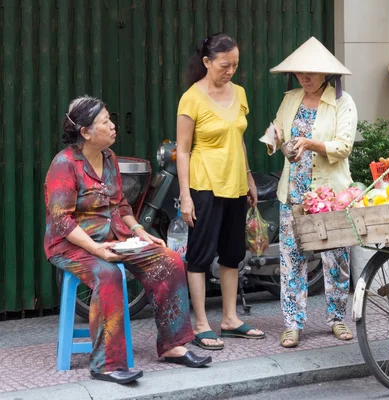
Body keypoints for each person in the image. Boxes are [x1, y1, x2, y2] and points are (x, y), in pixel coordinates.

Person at [45, 96, 211, 385]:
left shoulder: (109, 158)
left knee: (169, 260)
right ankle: (106, 365)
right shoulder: (64, 164)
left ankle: (173, 345)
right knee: (108, 274)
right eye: (105, 122)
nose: (113, 126)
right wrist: (97, 249)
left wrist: (139, 231)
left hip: (115, 237)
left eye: (110, 120)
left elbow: (120, 205)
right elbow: (62, 222)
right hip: (71, 245)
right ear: (85, 131)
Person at [266, 37, 358, 348]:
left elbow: (343, 146)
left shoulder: (343, 102)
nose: (305, 79)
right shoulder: (290, 98)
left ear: (326, 74)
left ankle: (338, 319)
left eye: (312, 73)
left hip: (329, 197)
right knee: (292, 259)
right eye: (300, 73)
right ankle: (292, 323)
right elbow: (276, 129)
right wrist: (274, 141)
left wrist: (309, 143)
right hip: (292, 193)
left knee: (337, 259)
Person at [176, 33, 264, 351]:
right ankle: (201, 322)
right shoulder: (192, 98)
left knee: (232, 254)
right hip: (204, 185)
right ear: (207, 62)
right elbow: (183, 151)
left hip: (235, 184)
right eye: (225, 65)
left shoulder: (239, 93)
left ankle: (230, 319)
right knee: (199, 256)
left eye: (235, 65)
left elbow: (237, 138)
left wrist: (249, 177)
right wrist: (185, 196)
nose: (230, 71)